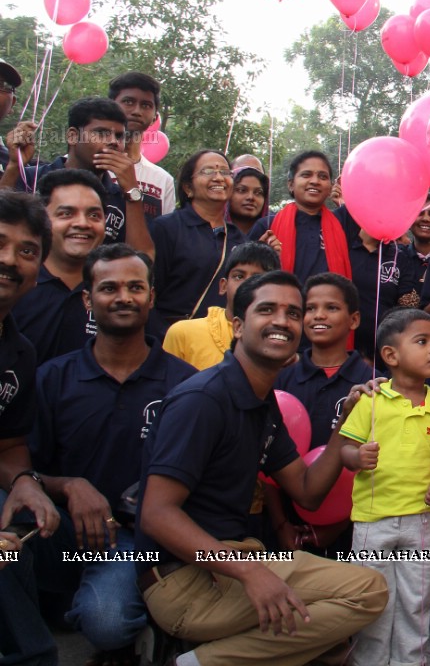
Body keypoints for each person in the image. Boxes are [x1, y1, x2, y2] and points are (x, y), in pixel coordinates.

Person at [135, 271, 388, 666]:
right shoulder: (203, 399)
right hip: (184, 581)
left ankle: (204, 656)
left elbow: (306, 491)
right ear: (238, 325)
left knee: (365, 593)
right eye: (267, 310)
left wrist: (345, 425)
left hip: (240, 561)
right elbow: (156, 513)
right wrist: (252, 575)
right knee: (338, 628)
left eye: (292, 313)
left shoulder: (262, 401)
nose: (282, 321)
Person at [31, 244, 196, 665]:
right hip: (61, 529)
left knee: (105, 622)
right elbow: (27, 469)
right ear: (88, 299)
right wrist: (69, 486)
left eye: (135, 287)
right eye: (108, 288)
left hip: (131, 540)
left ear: (152, 297)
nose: (123, 297)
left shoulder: (185, 384)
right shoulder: (54, 377)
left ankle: (108, 609)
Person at [337, 308, 430, 666]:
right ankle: (369, 660)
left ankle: (412, 660)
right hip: (373, 520)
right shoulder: (370, 402)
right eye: (422, 342)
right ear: (391, 355)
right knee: (375, 596)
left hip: (422, 522)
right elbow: (344, 448)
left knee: (415, 599)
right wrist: (356, 456)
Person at [269, 273, 375, 555]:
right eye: (310, 308)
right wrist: (281, 525)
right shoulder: (281, 382)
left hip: (354, 530)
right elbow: (265, 464)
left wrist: (337, 524)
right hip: (285, 527)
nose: (318, 316)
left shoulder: (372, 384)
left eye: (331, 308)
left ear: (353, 320)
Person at [0, 191, 60, 666]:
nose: (10, 261)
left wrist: (25, 483)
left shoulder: (19, 354)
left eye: (26, 251)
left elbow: (11, 445)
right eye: (0, 243)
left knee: (16, 546)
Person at [2, 97, 154, 256]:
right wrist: (14, 166)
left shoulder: (124, 197)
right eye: (101, 133)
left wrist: (132, 191)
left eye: (119, 136)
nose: (113, 142)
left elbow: (141, 260)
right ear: (73, 136)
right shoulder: (30, 179)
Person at [11, 169, 106, 364]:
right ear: (42, 220)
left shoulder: (114, 292)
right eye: (66, 213)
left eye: (94, 215)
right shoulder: (16, 284)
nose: (82, 223)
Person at [150, 150, 246, 326]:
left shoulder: (239, 239)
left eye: (225, 172)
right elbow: (149, 291)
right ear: (188, 187)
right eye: (208, 171)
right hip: (170, 337)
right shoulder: (167, 228)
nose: (218, 178)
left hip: (220, 342)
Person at [162, 242, 279, 371]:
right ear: (223, 286)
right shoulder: (182, 333)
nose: (247, 285)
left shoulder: (278, 338)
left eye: (257, 278)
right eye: (239, 276)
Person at [250, 151, 353, 288]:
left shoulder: (342, 223)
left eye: (323, 177)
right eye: (306, 175)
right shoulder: (267, 226)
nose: (315, 181)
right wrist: (263, 256)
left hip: (328, 306)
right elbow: (248, 277)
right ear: (291, 185)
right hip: (283, 306)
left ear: (330, 188)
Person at [332, 204, 408, 360]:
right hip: (340, 348)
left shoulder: (399, 257)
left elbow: (406, 308)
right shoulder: (342, 249)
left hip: (383, 353)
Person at [108, 71, 175, 220]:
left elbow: (163, 235)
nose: (137, 111)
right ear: (110, 106)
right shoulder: (87, 163)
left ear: (154, 118)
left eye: (146, 105)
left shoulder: (163, 180)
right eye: (128, 102)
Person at [227, 166, 269, 237]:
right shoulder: (213, 233)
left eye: (258, 192)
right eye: (242, 190)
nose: (250, 197)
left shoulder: (273, 232)